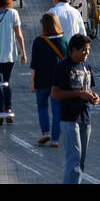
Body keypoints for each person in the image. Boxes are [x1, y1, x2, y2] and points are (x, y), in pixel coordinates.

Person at [52, 33, 99, 184]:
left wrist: (94, 97)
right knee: (74, 159)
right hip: (69, 118)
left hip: (85, 118)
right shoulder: (63, 67)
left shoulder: (87, 67)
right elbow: (55, 93)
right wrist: (79, 94)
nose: (87, 53)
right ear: (74, 50)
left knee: (81, 161)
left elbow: (89, 90)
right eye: (84, 50)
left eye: (88, 50)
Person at [29, 13, 67, 146]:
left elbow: (34, 64)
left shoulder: (39, 41)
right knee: (57, 110)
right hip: (58, 82)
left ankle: (45, 133)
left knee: (42, 107)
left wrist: (32, 81)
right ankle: (55, 139)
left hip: (42, 80)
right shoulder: (64, 41)